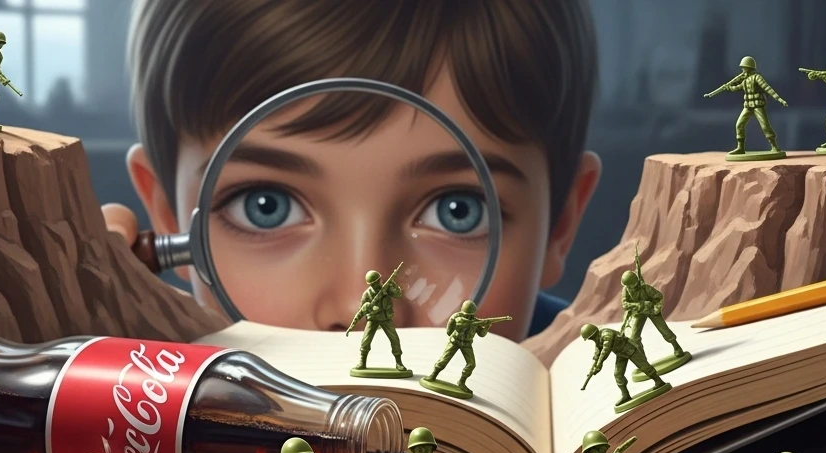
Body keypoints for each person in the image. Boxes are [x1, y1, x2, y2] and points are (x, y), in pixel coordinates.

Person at [103, 0, 601, 340]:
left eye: (457, 212)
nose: (359, 315)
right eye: (266, 208)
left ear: (561, 224)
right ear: (169, 218)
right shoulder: (133, 404)